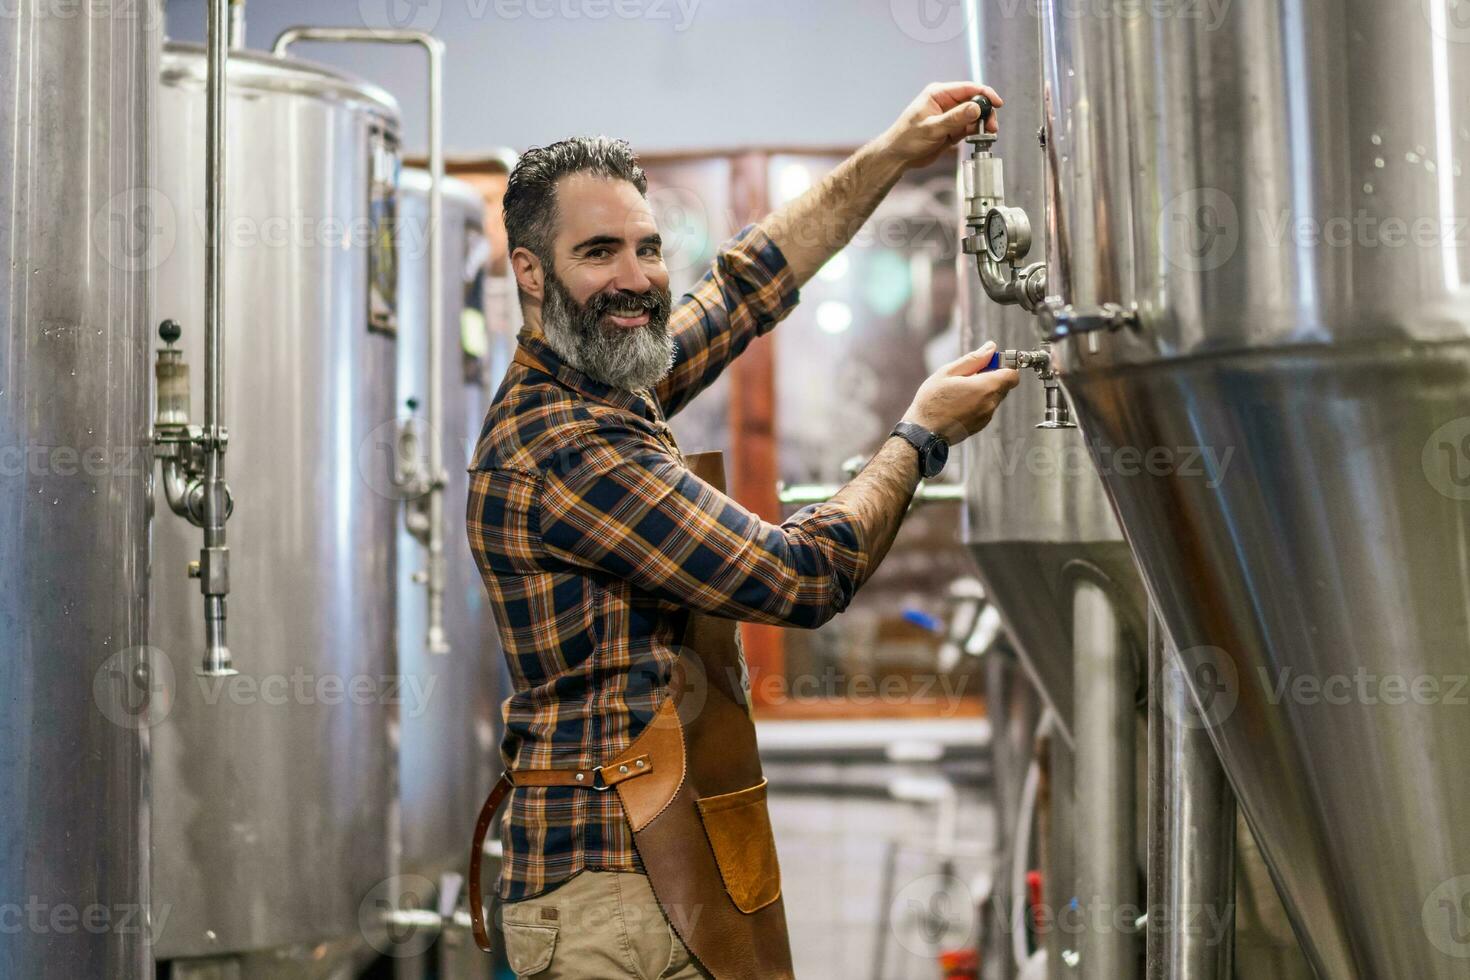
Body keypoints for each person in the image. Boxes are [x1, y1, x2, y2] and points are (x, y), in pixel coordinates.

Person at [467, 82, 1019, 980]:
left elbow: (745, 286)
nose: (638, 278)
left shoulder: (604, 385)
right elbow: (801, 578)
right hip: (611, 889)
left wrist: (892, 150)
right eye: (598, 251)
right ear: (530, 271)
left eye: (648, 249)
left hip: (653, 862)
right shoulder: (566, 443)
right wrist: (920, 436)